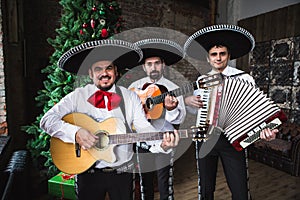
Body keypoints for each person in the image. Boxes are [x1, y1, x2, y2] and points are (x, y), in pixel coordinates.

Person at [40, 39, 180, 200]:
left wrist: (161, 144)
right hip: (88, 172)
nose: (104, 73)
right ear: (90, 73)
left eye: (109, 68)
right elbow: (47, 120)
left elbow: (144, 128)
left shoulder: (130, 97)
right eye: (98, 69)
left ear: (116, 71)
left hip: (122, 173)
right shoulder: (77, 96)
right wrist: (76, 132)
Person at [183, 24, 279, 200]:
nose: (218, 58)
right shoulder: (201, 80)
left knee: (240, 189)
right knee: (205, 188)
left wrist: (266, 129)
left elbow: (255, 109)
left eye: (222, 54)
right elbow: (193, 110)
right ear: (208, 57)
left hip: (234, 139)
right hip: (205, 138)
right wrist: (188, 101)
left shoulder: (243, 78)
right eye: (214, 54)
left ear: (228, 55)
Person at [128, 38, 186, 200]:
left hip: (164, 139)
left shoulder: (173, 88)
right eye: (149, 64)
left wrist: (171, 109)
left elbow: (179, 117)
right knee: (144, 182)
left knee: (164, 183)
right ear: (144, 67)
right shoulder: (134, 87)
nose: (153, 67)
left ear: (163, 65)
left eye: (157, 63)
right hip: (142, 140)